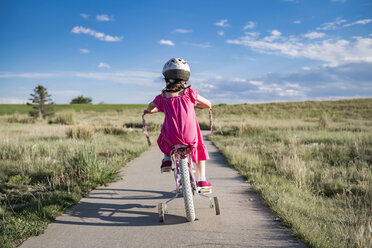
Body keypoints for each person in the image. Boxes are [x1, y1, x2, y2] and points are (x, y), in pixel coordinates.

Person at [144, 58, 212, 189]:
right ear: (185, 79)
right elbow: (208, 104)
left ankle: (167, 160)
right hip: (190, 135)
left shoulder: (163, 96)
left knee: (164, 134)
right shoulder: (189, 93)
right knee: (198, 147)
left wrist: (151, 111)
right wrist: (196, 106)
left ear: (166, 79)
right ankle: (202, 180)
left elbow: (149, 107)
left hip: (171, 136)